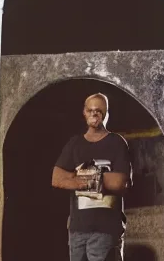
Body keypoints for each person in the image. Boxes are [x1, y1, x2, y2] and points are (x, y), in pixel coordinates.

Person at [52, 93, 132, 261]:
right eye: (90, 110)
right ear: (84, 112)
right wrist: (100, 180)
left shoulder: (116, 142)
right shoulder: (74, 144)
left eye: (99, 111)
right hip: (78, 229)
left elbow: (120, 182)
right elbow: (57, 179)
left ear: (106, 113)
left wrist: (77, 177)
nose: (94, 114)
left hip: (106, 229)